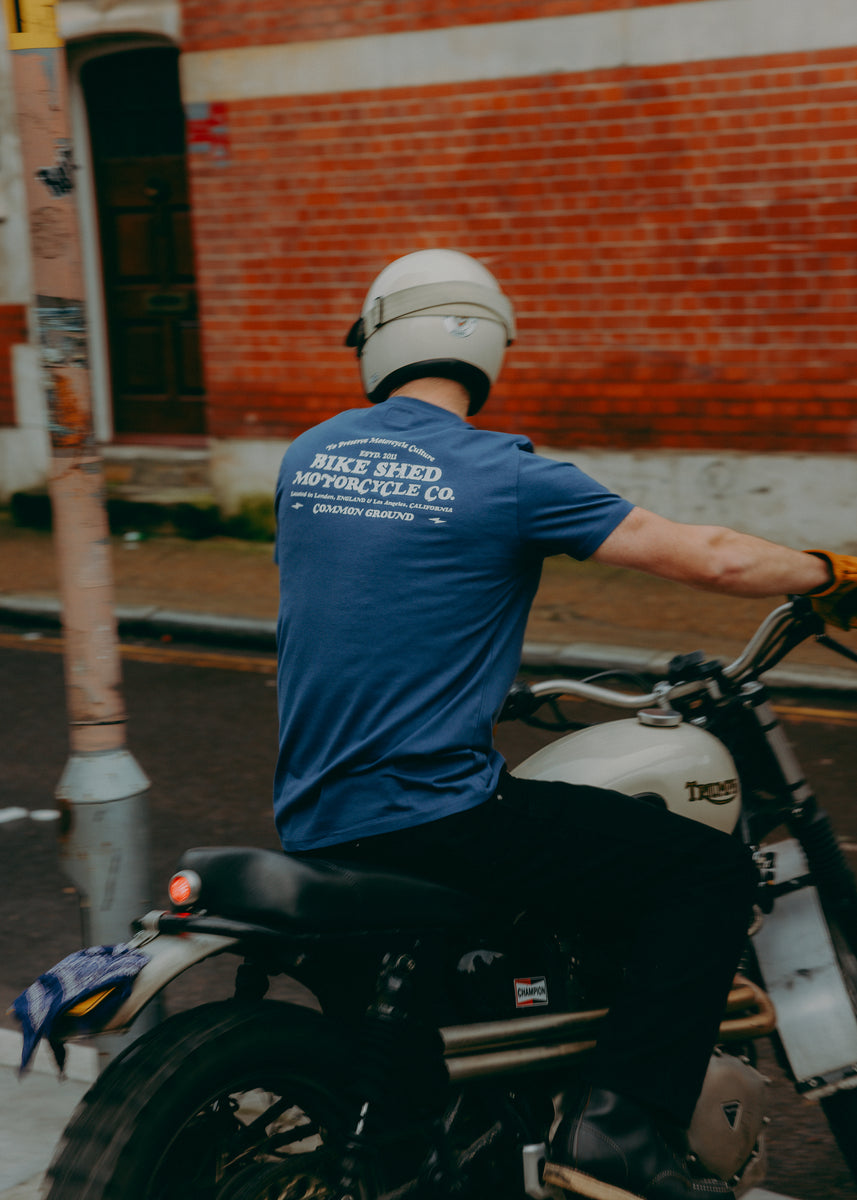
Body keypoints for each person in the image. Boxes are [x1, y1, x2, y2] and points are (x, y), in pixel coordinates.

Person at [272, 249, 857, 1200]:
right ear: (487, 347)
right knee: (701, 871)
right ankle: (619, 1133)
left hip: (314, 810)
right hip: (433, 815)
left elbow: (372, 607)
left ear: (378, 340)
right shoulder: (504, 472)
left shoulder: (309, 456)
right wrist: (831, 572)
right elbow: (706, 556)